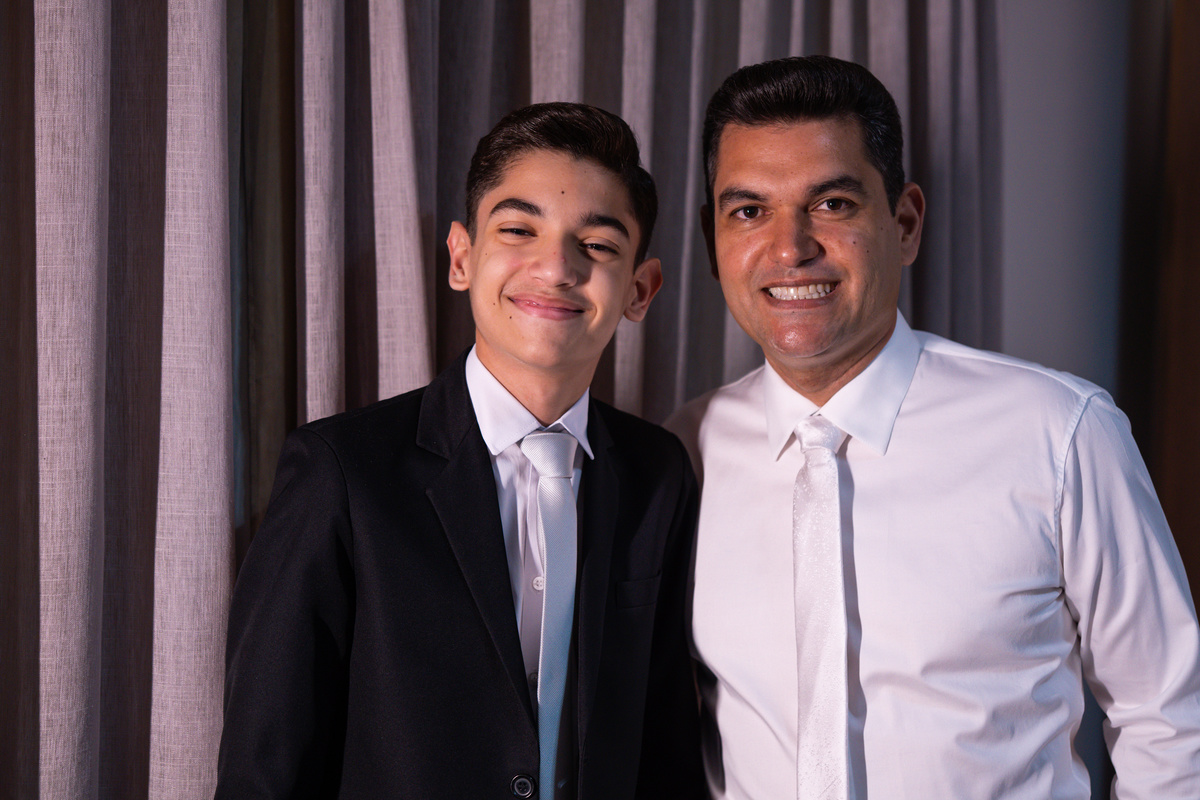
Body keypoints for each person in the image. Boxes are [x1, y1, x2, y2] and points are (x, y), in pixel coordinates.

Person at [667, 55, 1200, 799]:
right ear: (713, 241)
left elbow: (1169, 719)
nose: (790, 249)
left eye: (832, 204)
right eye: (750, 211)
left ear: (905, 223)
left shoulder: (1060, 433)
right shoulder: (683, 455)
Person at [215, 102, 705, 800]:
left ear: (640, 289)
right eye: (519, 230)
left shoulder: (659, 473)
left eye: (597, 245)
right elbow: (266, 767)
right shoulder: (342, 472)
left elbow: (667, 746)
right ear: (461, 258)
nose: (556, 268)